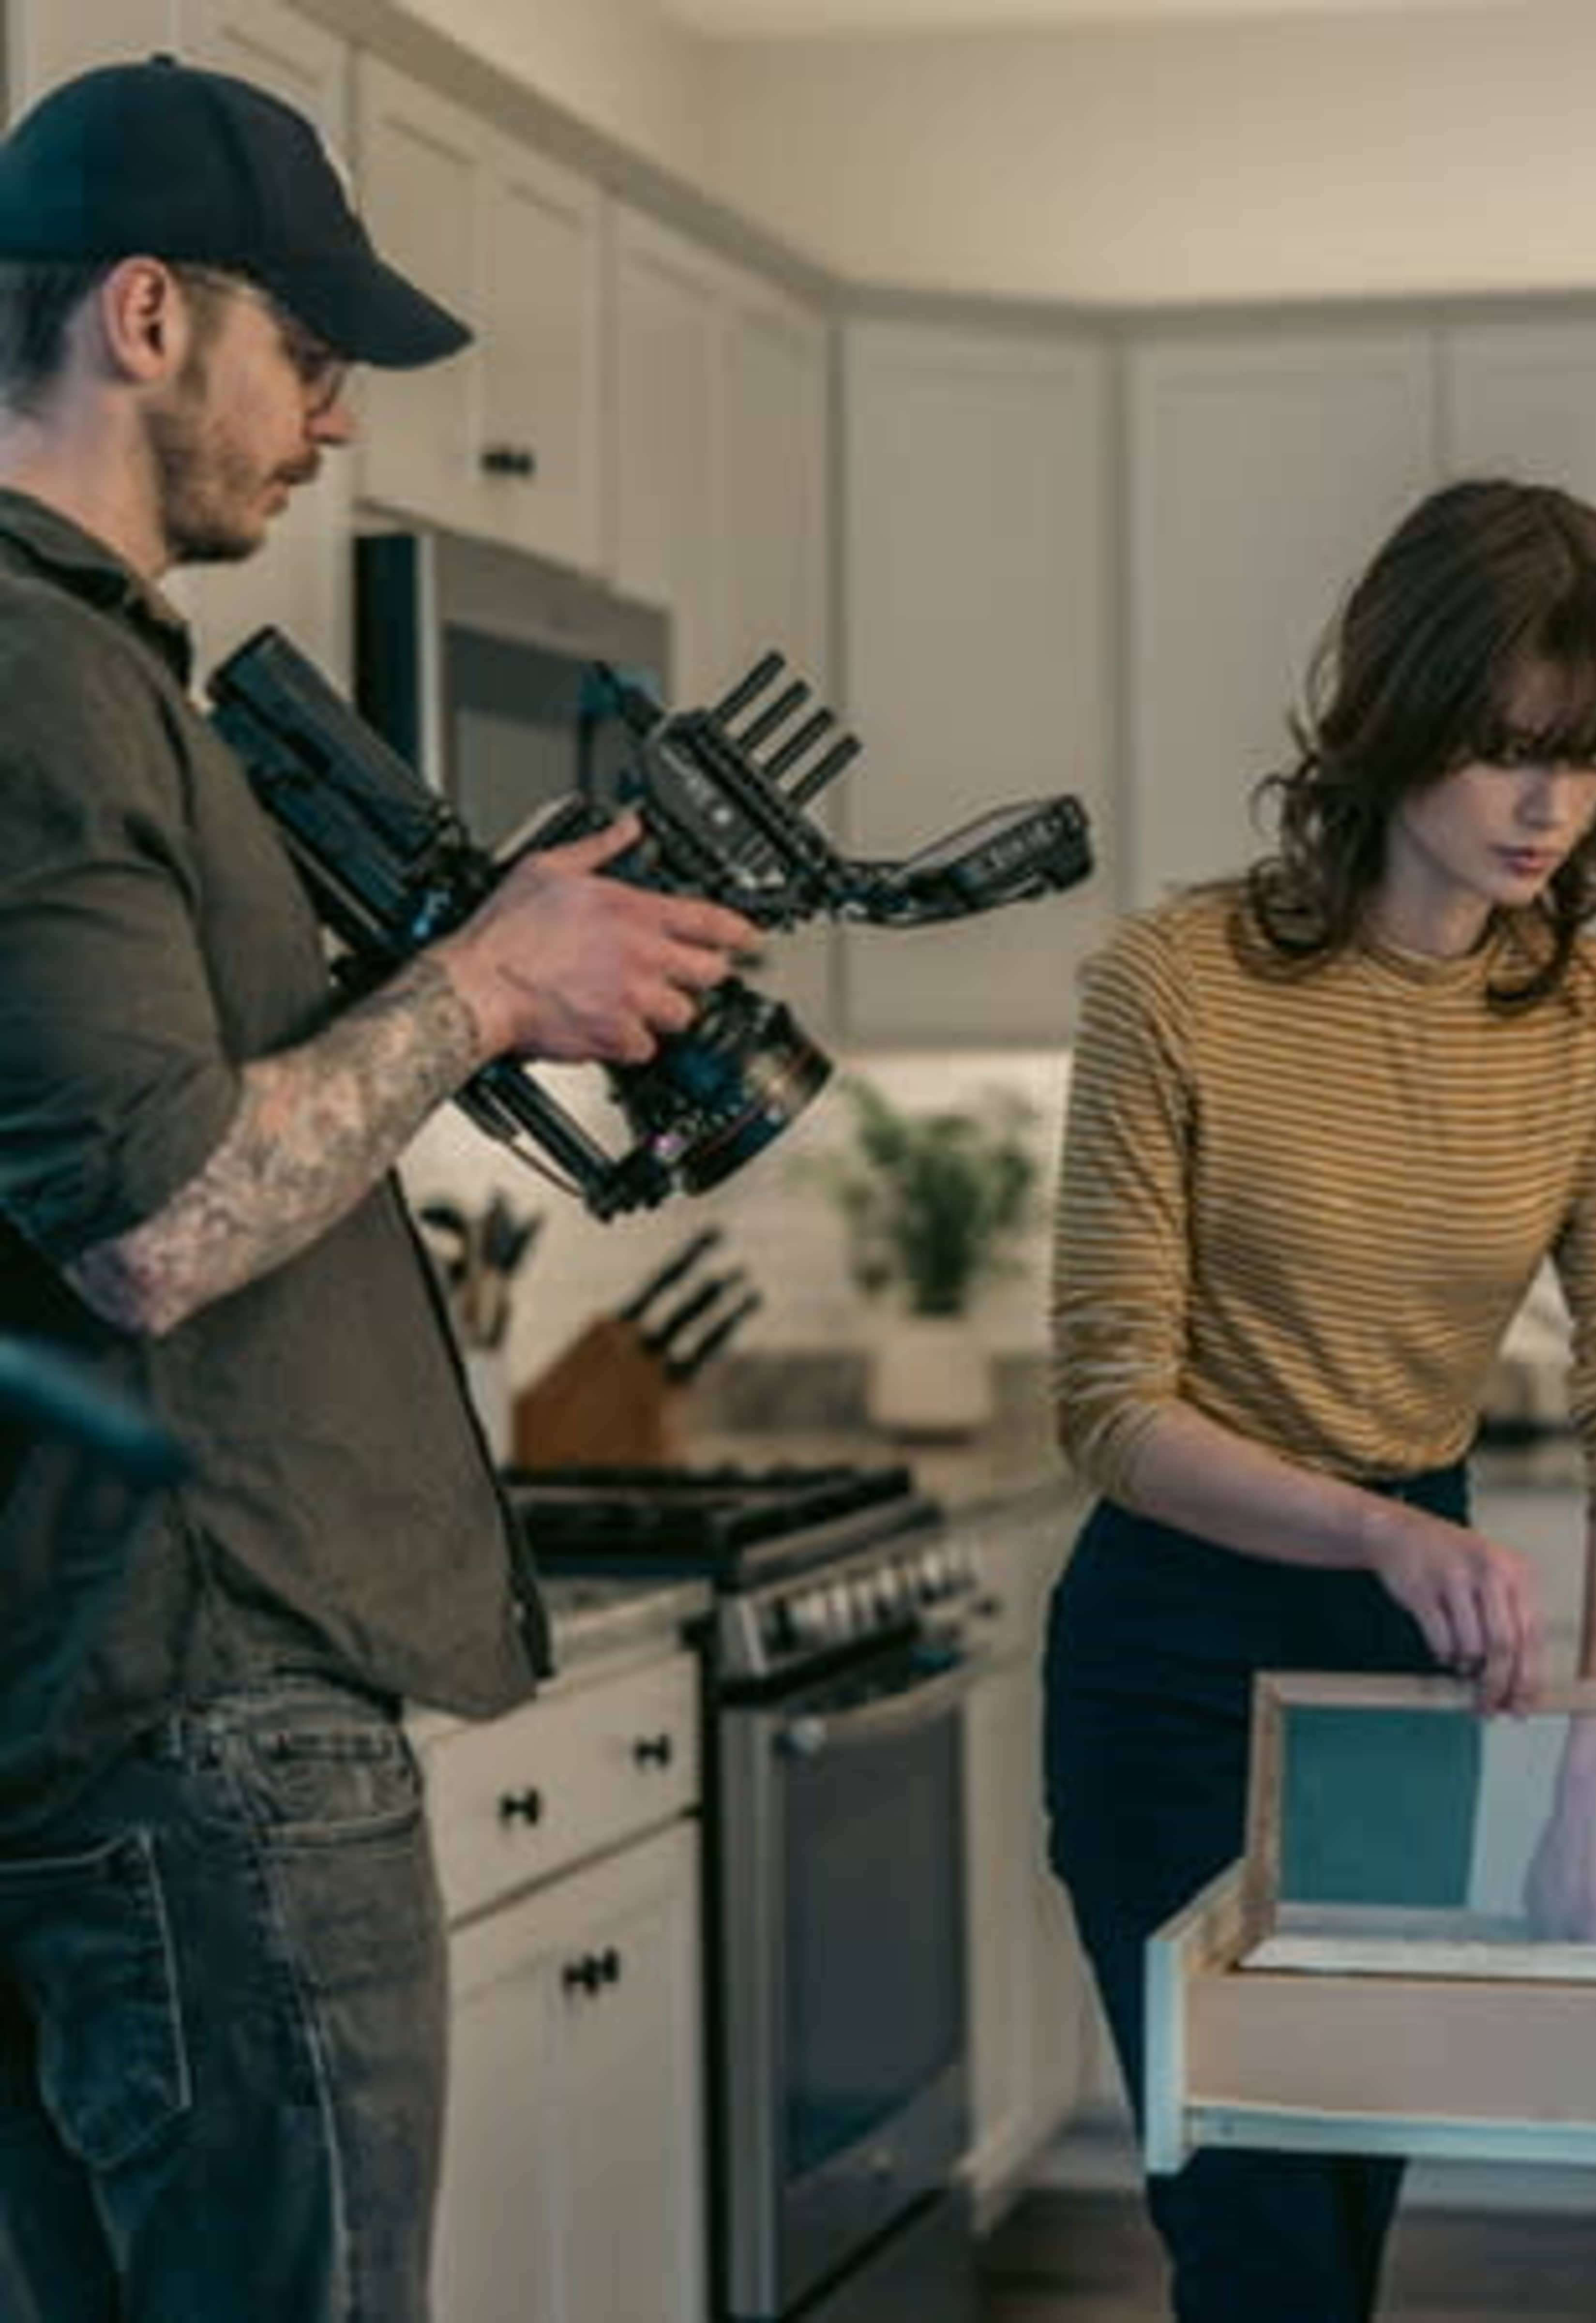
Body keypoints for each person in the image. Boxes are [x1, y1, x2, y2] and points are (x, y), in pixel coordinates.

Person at [0, 55, 755, 2323]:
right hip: (204, 1740)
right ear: (147, 316)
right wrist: (482, 993)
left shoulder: (97, 674)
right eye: (308, 355)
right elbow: (152, 1222)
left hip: (149, 1722)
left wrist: (454, 967)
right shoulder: (37, 678)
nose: (334, 422)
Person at [1043, 476, 1596, 2323]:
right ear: (1395, 714)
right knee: (1253, 2241)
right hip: (1173, 1653)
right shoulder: (1170, 983)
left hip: (1409, 1675)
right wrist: (1374, 1526)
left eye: (1592, 764)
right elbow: (1109, 1405)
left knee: (1338, 2235)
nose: (1547, 809)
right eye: (1508, 750)